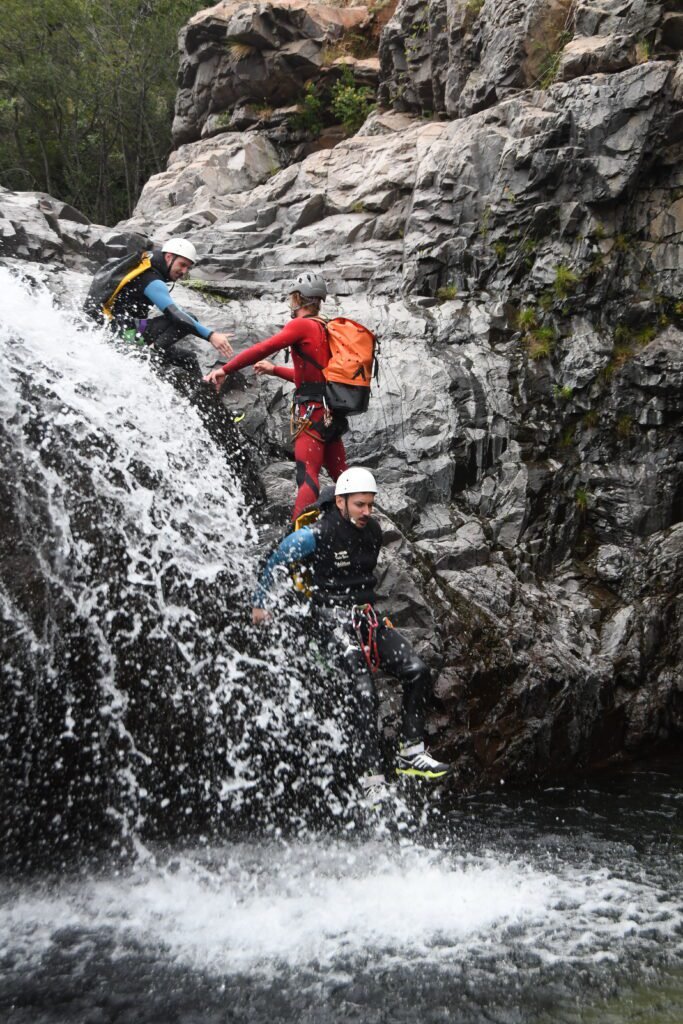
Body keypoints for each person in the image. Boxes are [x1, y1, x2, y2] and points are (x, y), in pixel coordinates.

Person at [251, 467, 452, 792]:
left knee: (417, 671)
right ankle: (372, 780)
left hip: (364, 618)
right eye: (360, 504)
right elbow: (275, 562)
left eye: (370, 505)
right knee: (363, 692)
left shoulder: (372, 531)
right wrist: (260, 604)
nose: (367, 511)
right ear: (341, 501)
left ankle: (410, 754)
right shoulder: (312, 536)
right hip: (327, 620)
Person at [203, 272, 348, 520]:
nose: (291, 304)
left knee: (307, 474)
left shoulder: (301, 325)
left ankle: (298, 533)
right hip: (332, 411)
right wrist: (275, 369)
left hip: (312, 411)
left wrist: (225, 370)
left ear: (300, 299)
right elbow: (313, 379)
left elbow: (263, 348)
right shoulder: (326, 327)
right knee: (342, 476)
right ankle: (359, 524)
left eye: (293, 299)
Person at [85, 237, 234, 370]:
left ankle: (196, 396)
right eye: (182, 264)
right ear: (169, 257)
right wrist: (211, 335)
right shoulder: (151, 279)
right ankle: (149, 358)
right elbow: (176, 315)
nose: (184, 271)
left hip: (122, 330)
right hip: (123, 334)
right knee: (189, 319)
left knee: (189, 359)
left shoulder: (146, 264)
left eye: (188, 267)